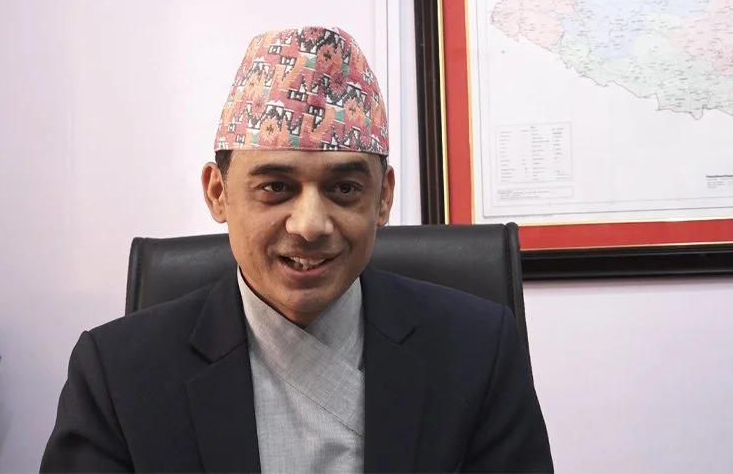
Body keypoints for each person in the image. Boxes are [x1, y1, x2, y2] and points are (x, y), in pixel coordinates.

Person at [40, 26, 553, 473]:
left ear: (383, 198)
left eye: (344, 188)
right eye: (275, 187)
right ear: (218, 193)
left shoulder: (477, 351)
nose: (310, 226)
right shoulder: (118, 373)